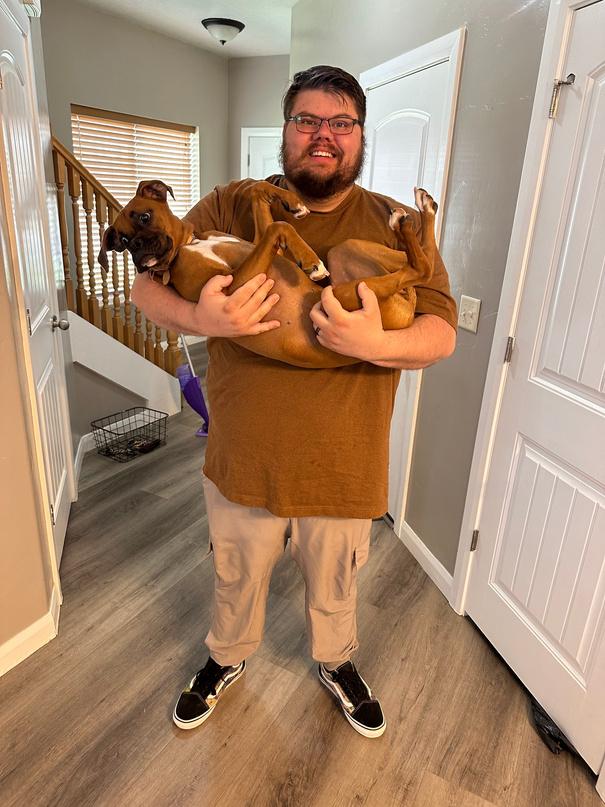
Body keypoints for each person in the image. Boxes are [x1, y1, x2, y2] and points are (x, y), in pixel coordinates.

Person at [131, 65, 457, 739]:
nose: (322, 136)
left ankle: (336, 661)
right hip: (244, 452)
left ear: (359, 135)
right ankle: (226, 657)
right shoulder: (232, 203)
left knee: (336, 579)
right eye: (307, 120)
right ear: (286, 130)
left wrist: (375, 343)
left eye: (340, 123)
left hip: (343, 460)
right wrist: (202, 319)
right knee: (235, 573)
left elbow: (442, 332)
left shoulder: (391, 222)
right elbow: (145, 288)